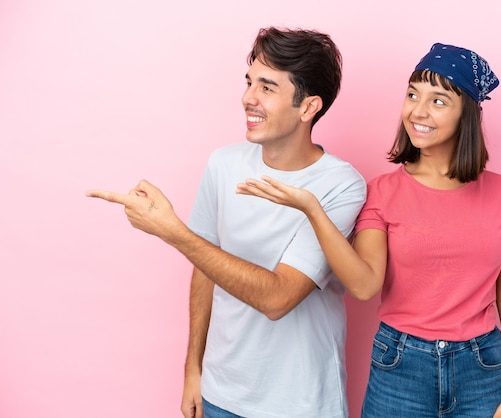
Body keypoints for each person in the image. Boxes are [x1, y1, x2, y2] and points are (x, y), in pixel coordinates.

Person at [237, 43, 501, 417]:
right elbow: (363, 285)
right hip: (400, 368)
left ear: (467, 115)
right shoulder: (382, 192)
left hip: (483, 369)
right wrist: (313, 209)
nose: (418, 111)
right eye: (412, 95)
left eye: (438, 101)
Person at [86, 27, 366, 418]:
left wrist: (173, 233)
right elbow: (206, 269)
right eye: (249, 82)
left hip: (299, 402)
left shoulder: (340, 185)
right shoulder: (224, 163)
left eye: (267, 87)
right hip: (220, 395)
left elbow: (277, 298)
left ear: (308, 108)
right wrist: (193, 370)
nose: (248, 98)